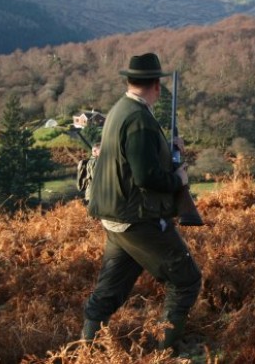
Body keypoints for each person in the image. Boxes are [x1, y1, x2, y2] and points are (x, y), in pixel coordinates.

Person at [82, 53, 202, 355]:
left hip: (115, 217)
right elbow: (146, 176)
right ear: (157, 86)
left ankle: (86, 351)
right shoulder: (139, 120)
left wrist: (169, 150)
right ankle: (168, 352)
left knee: (109, 291)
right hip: (137, 218)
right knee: (186, 279)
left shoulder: (120, 109)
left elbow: (134, 159)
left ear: (129, 80)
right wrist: (179, 178)